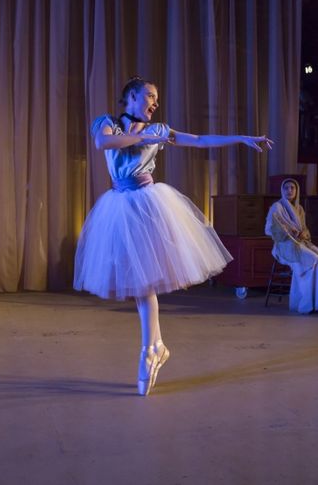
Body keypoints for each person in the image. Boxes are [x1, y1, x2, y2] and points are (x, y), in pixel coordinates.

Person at [74, 76, 273, 396]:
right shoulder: (107, 122)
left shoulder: (161, 130)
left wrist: (242, 138)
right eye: (149, 96)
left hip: (147, 203)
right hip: (119, 205)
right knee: (139, 283)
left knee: (145, 282)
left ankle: (149, 350)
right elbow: (103, 143)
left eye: (156, 98)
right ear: (131, 97)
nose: (155, 102)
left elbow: (199, 140)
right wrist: (147, 136)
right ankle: (155, 347)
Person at [265, 178, 318, 314]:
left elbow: (305, 229)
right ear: (282, 190)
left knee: (316, 258)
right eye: (286, 188)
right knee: (312, 259)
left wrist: (302, 234)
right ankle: (304, 303)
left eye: (292, 188)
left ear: (296, 191)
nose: (289, 190)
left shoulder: (299, 209)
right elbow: (269, 229)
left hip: (300, 243)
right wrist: (287, 232)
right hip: (284, 246)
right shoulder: (277, 207)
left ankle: (314, 301)